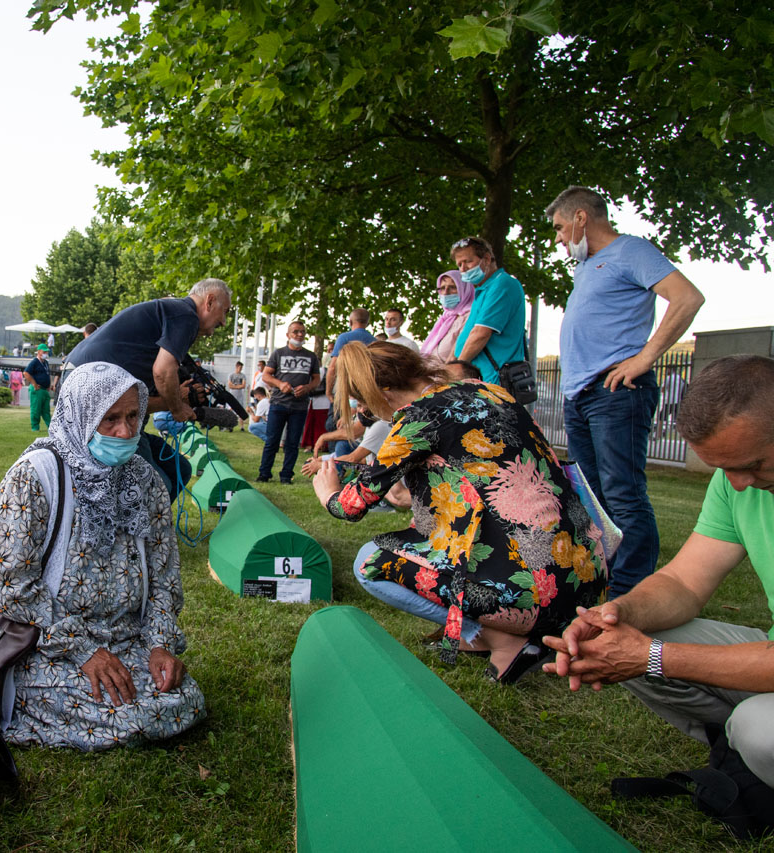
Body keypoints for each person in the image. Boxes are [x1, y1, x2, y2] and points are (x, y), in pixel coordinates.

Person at [312, 341, 608, 683]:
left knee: (369, 562)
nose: (367, 412)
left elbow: (350, 507)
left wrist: (328, 492)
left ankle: (503, 639)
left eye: (365, 403)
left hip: (537, 590)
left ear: (385, 392)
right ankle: (494, 630)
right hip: (586, 575)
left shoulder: (416, 419)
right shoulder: (486, 389)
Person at [543, 355, 774, 786]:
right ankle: (740, 758)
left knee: (761, 732)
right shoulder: (734, 483)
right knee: (618, 638)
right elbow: (683, 581)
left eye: (753, 465)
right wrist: (615, 616)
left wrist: (651, 656)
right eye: (725, 469)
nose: (739, 483)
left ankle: (750, 748)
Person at [0, 362, 206, 749]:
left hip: (125, 639)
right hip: (45, 646)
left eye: (134, 416)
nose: (125, 431)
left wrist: (159, 645)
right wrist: (84, 651)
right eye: (110, 419)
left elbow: (164, 574)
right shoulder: (35, 476)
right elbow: (8, 585)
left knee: (183, 696)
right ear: (81, 416)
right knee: (127, 713)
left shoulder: (145, 480)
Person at [547, 185, 706, 595]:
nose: (560, 239)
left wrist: (645, 357)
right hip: (580, 395)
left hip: (615, 392)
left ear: (581, 217)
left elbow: (687, 298)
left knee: (623, 497)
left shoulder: (631, 250)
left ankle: (631, 595)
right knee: (593, 500)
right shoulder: (587, 266)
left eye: (561, 228)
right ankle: (603, 584)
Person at [63, 278, 231, 497]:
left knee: (179, 469)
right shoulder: (187, 315)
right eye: (225, 311)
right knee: (160, 488)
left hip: (80, 377)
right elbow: (162, 371)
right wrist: (178, 407)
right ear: (209, 301)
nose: (225, 322)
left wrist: (176, 399)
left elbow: (136, 401)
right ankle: (134, 528)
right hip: (84, 385)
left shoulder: (171, 312)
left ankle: (142, 526)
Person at [449, 236, 526, 384]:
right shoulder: (483, 290)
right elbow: (468, 333)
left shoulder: (502, 284)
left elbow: (480, 334)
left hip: (493, 380)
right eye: (459, 265)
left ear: (486, 259)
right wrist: (449, 365)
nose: (463, 269)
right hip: (480, 378)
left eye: (468, 261)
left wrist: (457, 370)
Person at [258, 321, 321, 484]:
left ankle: (286, 475)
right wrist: (280, 384)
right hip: (278, 403)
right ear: (288, 335)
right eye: (296, 332)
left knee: (293, 443)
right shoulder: (278, 354)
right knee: (272, 440)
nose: (299, 335)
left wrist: (307, 388)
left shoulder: (311, 356)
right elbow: (265, 376)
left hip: (299, 406)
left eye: (302, 332)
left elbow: (317, 380)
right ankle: (264, 473)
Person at [420, 270, 474, 364]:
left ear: (464, 289)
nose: (445, 292)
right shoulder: (445, 319)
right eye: (442, 288)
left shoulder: (470, 316)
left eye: (452, 287)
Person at [26, 343, 53, 430]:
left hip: (44, 390)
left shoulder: (46, 363)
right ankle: (35, 427)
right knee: (36, 409)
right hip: (37, 389)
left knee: (46, 410)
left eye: (46, 352)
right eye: (44, 351)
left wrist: (49, 385)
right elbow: (26, 373)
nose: (45, 353)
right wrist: (34, 383)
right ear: (38, 352)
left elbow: (47, 374)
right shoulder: (34, 362)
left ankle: (51, 427)